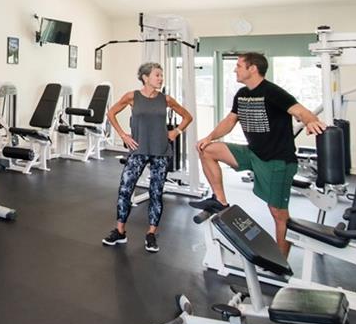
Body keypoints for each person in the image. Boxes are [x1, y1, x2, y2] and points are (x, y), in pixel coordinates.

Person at [189, 52, 325, 258]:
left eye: (238, 66)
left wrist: (311, 121)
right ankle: (220, 200)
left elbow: (300, 111)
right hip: (253, 153)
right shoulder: (242, 93)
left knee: (278, 213)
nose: (235, 69)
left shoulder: (272, 92)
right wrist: (209, 137)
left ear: (252, 68)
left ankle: (281, 263)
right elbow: (230, 121)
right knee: (207, 150)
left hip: (277, 161)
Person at [102, 62, 193, 253]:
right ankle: (120, 231)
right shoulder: (132, 97)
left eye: (161, 75)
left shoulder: (165, 99)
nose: (160, 78)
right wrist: (123, 135)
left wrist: (175, 132)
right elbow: (111, 113)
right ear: (145, 77)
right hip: (138, 150)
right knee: (125, 189)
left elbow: (187, 117)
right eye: (157, 75)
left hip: (160, 151)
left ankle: (151, 234)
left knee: (156, 193)